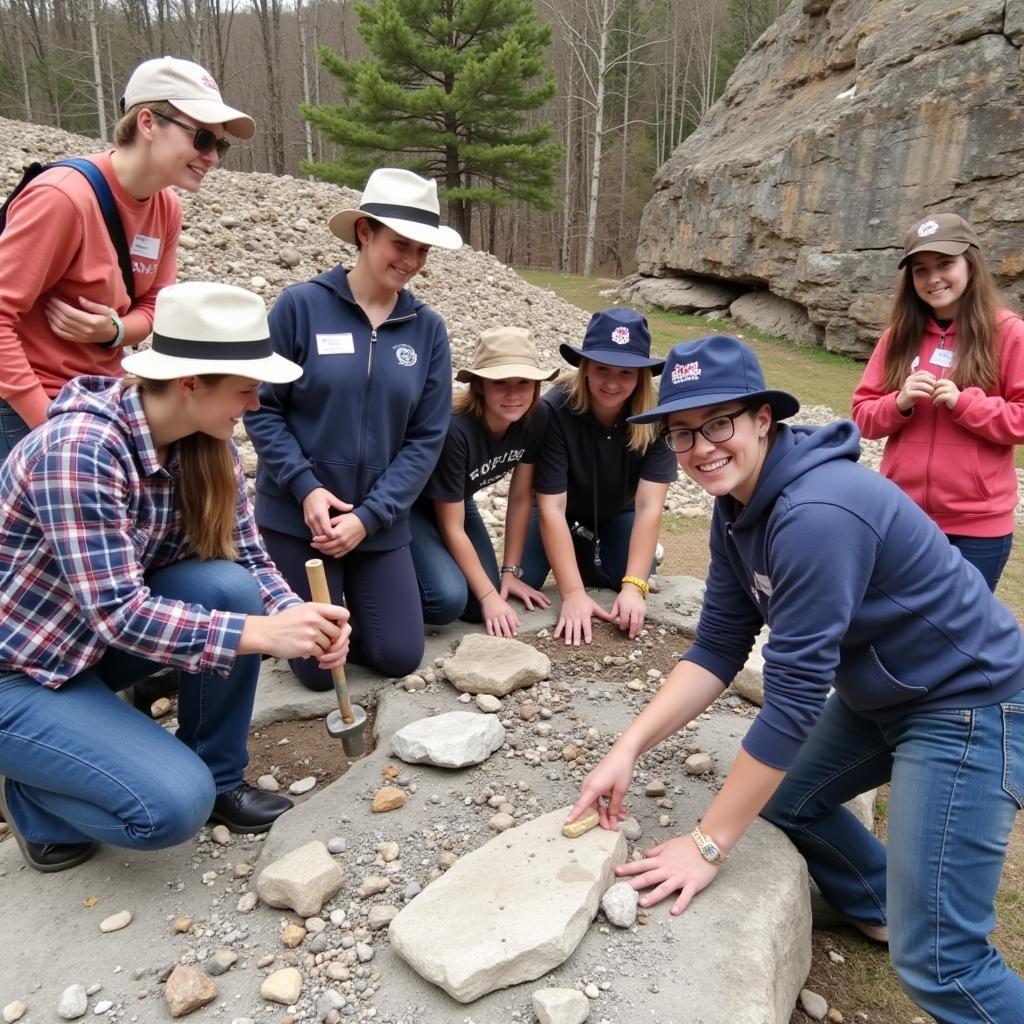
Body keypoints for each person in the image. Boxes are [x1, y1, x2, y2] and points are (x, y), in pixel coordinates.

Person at [566, 334, 1024, 1024]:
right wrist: (626, 750)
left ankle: (922, 933)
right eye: (683, 433)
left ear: (762, 419)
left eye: (718, 423)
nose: (700, 448)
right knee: (786, 801)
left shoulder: (816, 514)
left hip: (968, 705)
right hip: (890, 693)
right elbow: (718, 646)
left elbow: (794, 702)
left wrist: (708, 844)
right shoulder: (736, 505)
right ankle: (882, 907)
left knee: (943, 966)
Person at [0, 282, 351, 874]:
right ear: (191, 383)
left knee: (231, 589)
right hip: (23, 670)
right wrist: (263, 636)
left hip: (86, 647)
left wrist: (297, 616)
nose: (257, 403)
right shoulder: (81, 450)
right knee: (168, 810)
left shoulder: (205, 445)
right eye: (245, 389)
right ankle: (33, 793)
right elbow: (118, 612)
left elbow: (250, 561)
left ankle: (220, 779)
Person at [245, 167, 460, 689]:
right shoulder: (300, 306)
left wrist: (369, 517)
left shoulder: (427, 329)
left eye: (422, 250)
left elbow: (425, 438)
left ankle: (343, 612)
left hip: (378, 523)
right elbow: (260, 407)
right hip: (301, 518)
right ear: (365, 233)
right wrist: (306, 488)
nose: (410, 262)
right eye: (400, 244)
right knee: (319, 675)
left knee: (399, 654)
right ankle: (296, 613)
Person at [0, 55, 255, 465]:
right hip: (28, 408)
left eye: (219, 144)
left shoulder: (167, 207)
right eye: (203, 139)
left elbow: (156, 303)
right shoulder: (62, 198)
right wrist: (43, 422)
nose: (213, 157)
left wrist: (115, 330)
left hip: (102, 401)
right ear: (148, 123)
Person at [852, 213, 1024, 590]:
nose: (933, 279)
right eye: (920, 269)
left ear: (971, 264)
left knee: (959, 638)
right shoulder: (897, 335)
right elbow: (862, 416)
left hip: (978, 528)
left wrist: (967, 406)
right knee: (895, 630)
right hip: (902, 517)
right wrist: (899, 403)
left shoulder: (1009, 332)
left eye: (945, 264)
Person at [526, 307, 675, 646]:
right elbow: (551, 508)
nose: (611, 382)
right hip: (556, 512)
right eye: (602, 368)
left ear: (641, 376)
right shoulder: (555, 409)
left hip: (618, 514)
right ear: (585, 368)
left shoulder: (659, 419)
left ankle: (623, 553)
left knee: (625, 576)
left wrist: (633, 586)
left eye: (626, 372)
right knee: (528, 580)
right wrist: (573, 593)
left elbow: (650, 506)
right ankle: (578, 554)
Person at [410, 326, 555, 636]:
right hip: (412, 508)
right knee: (446, 600)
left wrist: (509, 572)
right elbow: (451, 526)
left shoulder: (536, 417)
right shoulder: (456, 430)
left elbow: (519, 498)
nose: (514, 394)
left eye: (524, 383)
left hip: (459, 500)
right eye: (500, 382)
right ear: (479, 386)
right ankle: (382, 587)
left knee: (477, 608)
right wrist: (490, 596)